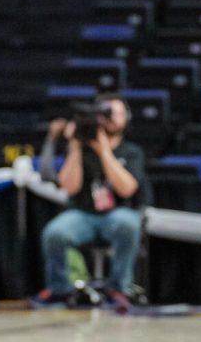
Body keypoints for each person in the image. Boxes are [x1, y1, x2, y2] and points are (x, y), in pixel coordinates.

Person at [36, 94, 149, 313]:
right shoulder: (81, 147)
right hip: (83, 214)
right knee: (54, 233)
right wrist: (75, 147)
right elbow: (69, 188)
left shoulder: (132, 151)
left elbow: (127, 189)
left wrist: (104, 151)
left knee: (128, 225)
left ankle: (119, 287)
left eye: (115, 113)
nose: (111, 119)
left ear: (126, 118)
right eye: (106, 113)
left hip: (118, 212)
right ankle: (60, 289)